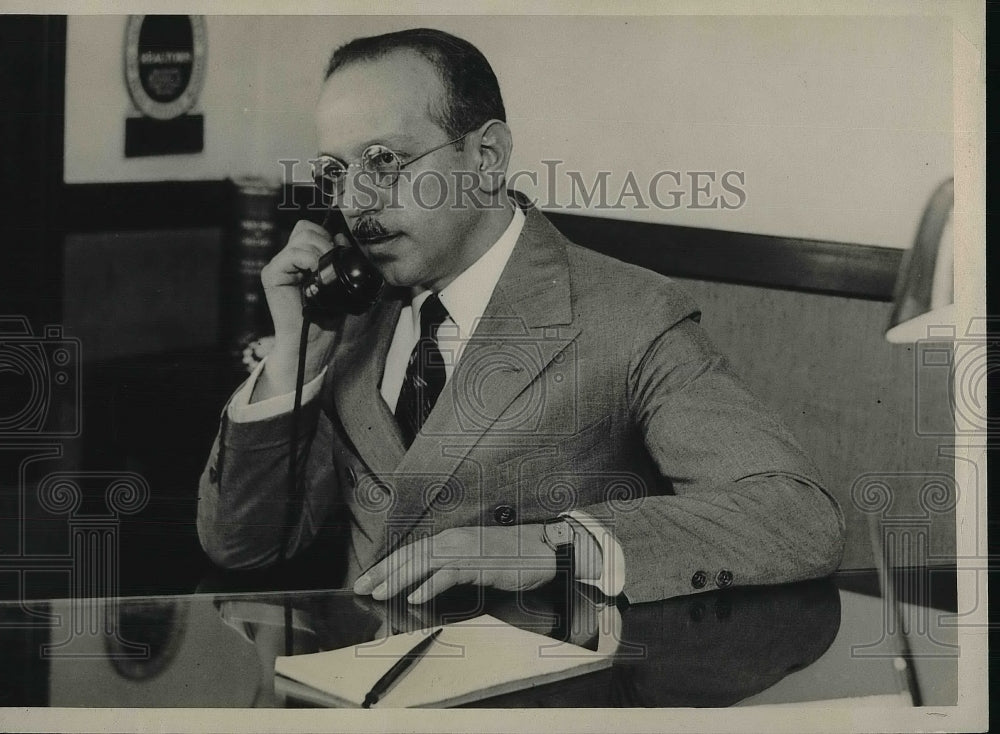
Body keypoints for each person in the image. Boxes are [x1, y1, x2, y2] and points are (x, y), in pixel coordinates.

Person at [197, 27, 845, 605]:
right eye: (337, 171)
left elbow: (797, 518)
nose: (356, 203)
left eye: (384, 161)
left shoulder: (631, 314)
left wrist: (559, 547)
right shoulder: (350, 317)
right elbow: (243, 546)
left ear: (486, 157)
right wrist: (296, 360)